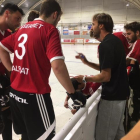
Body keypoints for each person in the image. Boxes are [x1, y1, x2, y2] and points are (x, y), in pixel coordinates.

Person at [0, 0, 86, 140]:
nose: (57, 22)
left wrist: (14, 71)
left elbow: (2, 48)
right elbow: (58, 66)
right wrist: (73, 94)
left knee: (26, 135)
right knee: (45, 136)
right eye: (58, 19)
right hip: (34, 96)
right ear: (55, 14)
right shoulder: (49, 30)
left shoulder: (23, 28)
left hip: (15, 94)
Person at [75, 13, 130, 140]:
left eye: (93, 24)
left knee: (103, 136)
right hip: (120, 95)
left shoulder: (105, 45)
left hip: (112, 98)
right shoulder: (114, 41)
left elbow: (105, 76)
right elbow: (107, 68)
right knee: (118, 133)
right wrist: (87, 62)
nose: (91, 28)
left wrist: (85, 79)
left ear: (101, 26)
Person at [0, 3, 24, 140]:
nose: (18, 23)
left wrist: (13, 79)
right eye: (17, 18)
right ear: (7, 14)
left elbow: (7, 59)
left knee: (8, 115)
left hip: (3, 79)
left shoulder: (9, 34)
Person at [124, 22, 140, 123]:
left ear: (137, 32)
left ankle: (136, 117)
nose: (127, 36)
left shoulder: (138, 42)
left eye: (129, 34)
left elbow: (127, 60)